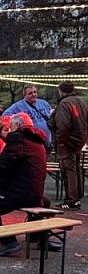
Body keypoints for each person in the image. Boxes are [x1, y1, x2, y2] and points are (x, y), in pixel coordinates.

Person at [0, 113, 47, 256]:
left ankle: (8, 242)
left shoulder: (18, 141)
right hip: (34, 193)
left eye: (11, 126)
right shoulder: (37, 142)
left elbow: (0, 166)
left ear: (17, 125)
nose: (10, 130)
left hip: (19, 194)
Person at [50, 81, 88, 209]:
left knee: (68, 170)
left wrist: (60, 141)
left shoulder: (64, 104)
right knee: (76, 170)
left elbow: (63, 124)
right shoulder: (82, 101)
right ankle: (76, 198)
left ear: (61, 91)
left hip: (67, 142)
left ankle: (71, 200)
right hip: (79, 140)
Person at [2, 85, 53, 150]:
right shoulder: (18, 106)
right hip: (32, 141)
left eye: (35, 92)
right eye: (30, 93)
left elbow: (51, 116)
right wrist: (16, 121)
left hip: (47, 141)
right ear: (25, 95)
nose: (33, 95)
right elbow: (5, 115)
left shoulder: (44, 103)